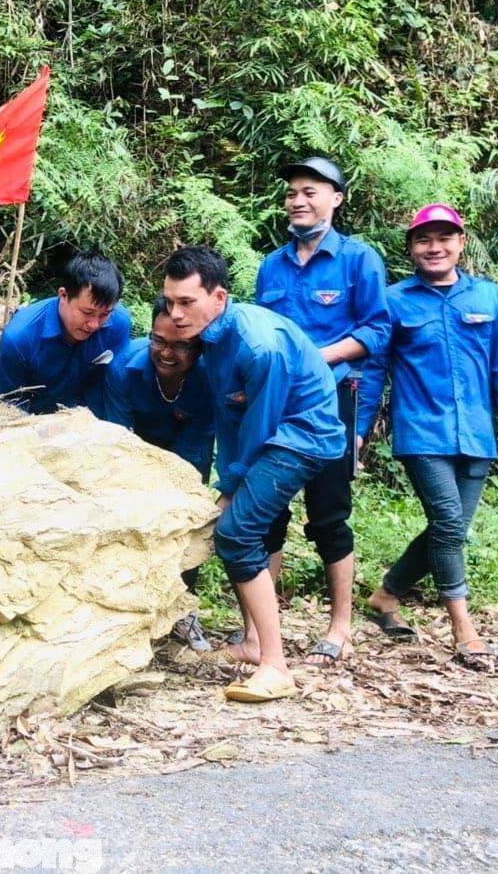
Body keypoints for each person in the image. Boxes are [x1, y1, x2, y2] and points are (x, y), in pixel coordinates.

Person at [162, 246, 345, 702]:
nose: (176, 314)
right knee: (238, 527)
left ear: (219, 297)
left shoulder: (257, 345)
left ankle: (275, 666)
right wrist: (228, 479)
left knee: (238, 532)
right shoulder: (212, 339)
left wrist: (231, 486)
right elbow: (231, 419)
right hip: (272, 434)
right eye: (170, 302)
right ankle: (252, 642)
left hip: (302, 435)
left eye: (187, 302)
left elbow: (261, 428)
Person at [357, 204, 498, 669]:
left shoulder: (490, 298)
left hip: (476, 435)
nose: (433, 248)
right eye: (423, 240)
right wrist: (357, 430)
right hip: (422, 432)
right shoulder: (394, 302)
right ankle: (463, 628)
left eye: (443, 239)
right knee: (450, 525)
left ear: (460, 243)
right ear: (412, 248)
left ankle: (386, 595)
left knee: (448, 528)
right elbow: (373, 372)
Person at [251, 156, 390, 667]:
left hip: (333, 401)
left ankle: (341, 626)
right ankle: (262, 630)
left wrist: (317, 358)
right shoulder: (272, 265)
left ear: (336, 198)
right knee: (267, 513)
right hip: (275, 402)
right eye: (292, 193)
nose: (299, 200)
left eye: (311, 191)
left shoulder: (359, 260)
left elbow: (378, 331)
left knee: (329, 515)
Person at [103, 296, 215, 651]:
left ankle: (183, 609)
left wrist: (173, 491)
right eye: (159, 341)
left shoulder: (211, 376)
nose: (167, 353)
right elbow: (116, 438)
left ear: (198, 345)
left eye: (180, 345)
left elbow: (195, 452)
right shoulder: (123, 366)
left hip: (188, 450)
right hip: (134, 447)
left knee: (188, 518)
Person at [0, 251, 132, 417]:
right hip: (35, 422)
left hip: (90, 419)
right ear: (63, 295)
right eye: (87, 312)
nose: (94, 324)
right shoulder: (19, 338)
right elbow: (10, 406)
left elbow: (115, 385)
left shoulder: (118, 323)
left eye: (104, 314)